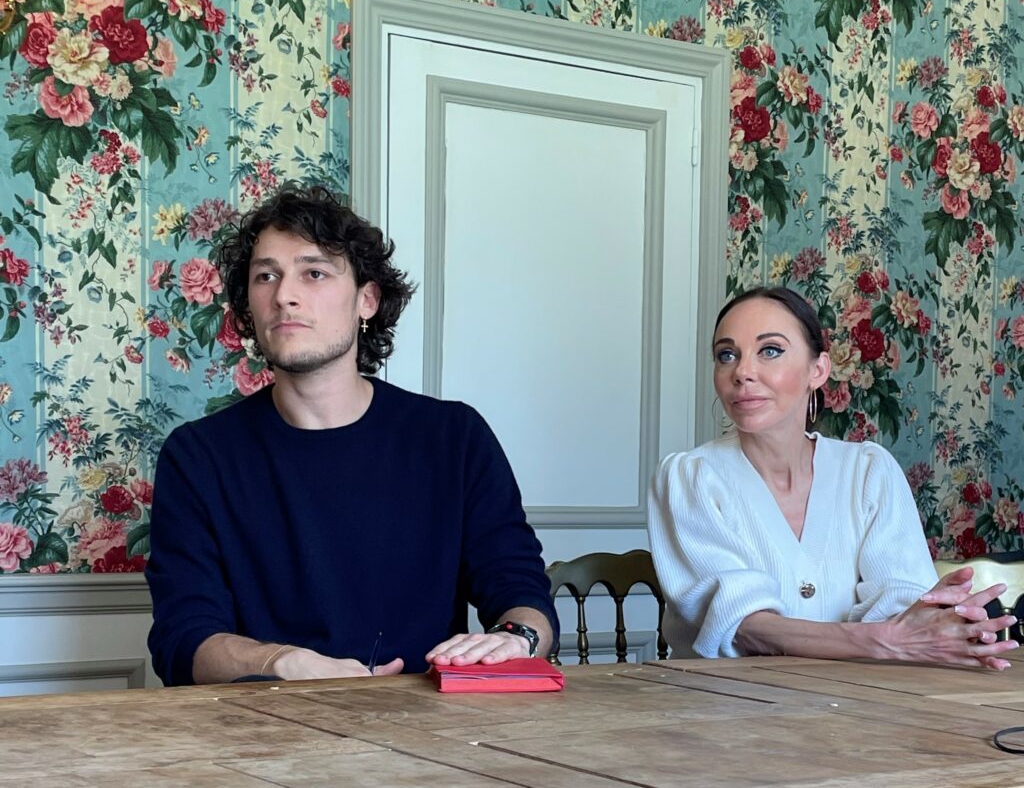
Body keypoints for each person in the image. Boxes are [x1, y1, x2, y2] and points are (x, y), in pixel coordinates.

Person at [146, 184, 557, 686]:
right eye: (265, 276)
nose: (284, 294)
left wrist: (516, 637)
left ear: (367, 300)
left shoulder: (453, 438)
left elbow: (522, 593)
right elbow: (183, 639)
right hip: (261, 734)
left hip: (427, 728)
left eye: (313, 272)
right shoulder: (198, 458)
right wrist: (280, 662)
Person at [648, 286, 1017, 669]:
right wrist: (881, 640)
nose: (742, 372)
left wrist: (927, 620)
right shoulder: (689, 479)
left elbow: (903, 603)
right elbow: (744, 627)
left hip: (860, 703)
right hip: (725, 710)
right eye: (727, 355)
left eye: (769, 350)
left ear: (818, 369)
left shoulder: (869, 472)